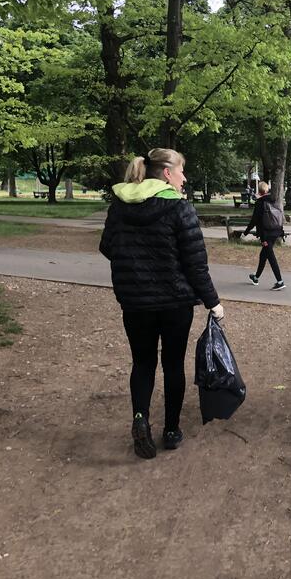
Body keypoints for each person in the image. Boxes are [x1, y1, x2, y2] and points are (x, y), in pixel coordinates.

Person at [100, 148, 224, 460]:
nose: (184, 178)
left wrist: (134, 263)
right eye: (181, 171)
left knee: (142, 363)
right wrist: (214, 302)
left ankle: (140, 418)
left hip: (135, 302)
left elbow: (107, 247)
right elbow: (195, 264)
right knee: (172, 364)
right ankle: (171, 429)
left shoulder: (119, 206)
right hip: (174, 302)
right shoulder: (180, 209)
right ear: (167, 173)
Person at [243, 181, 286, 291]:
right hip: (276, 231)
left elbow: (254, 220)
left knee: (270, 257)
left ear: (259, 191)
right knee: (264, 255)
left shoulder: (260, 202)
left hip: (266, 234)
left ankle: (280, 281)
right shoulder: (274, 201)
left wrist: (246, 232)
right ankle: (256, 277)